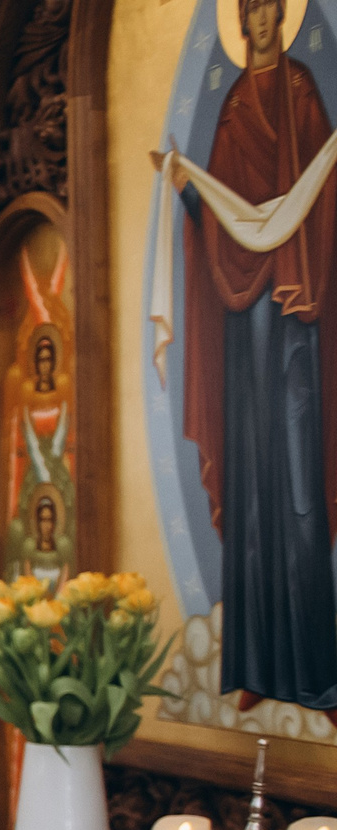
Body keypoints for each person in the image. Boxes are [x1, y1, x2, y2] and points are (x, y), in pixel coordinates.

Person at [154, 0, 337, 708]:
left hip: (295, 318)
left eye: (269, 7)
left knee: (298, 484)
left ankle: (314, 670)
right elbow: (220, 211)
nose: (260, 19)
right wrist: (188, 193)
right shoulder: (233, 104)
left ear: (284, 16)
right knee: (253, 481)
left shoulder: (299, 91)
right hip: (242, 324)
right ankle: (256, 670)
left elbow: (322, 195)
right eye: (250, 8)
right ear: (240, 19)